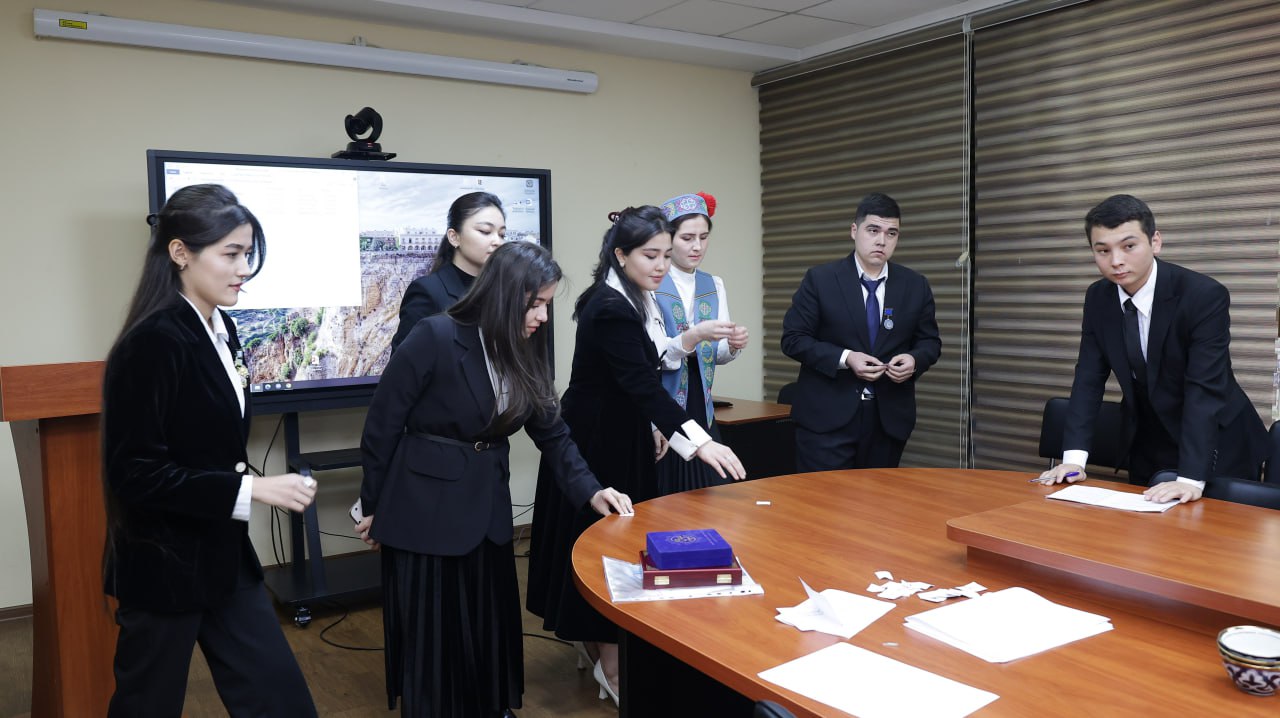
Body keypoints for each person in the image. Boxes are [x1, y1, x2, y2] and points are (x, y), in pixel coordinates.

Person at [356, 241, 634, 718]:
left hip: (486, 508)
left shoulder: (526, 349)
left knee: (488, 621)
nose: (543, 316)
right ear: (504, 294)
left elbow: (553, 433)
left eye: (547, 304)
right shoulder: (434, 335)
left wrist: (592, 489)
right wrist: (373, 507)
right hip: (424, 509)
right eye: (536, 303)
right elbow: (382, 426)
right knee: (435, 632)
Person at [101, 184, 318, 717]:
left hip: (224, 560)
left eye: (248, 254)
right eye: (231, 254)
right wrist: (253, 489)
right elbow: (135, 473)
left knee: (282, 701)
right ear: (180, 253)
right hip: (163, 566)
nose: (244, 269)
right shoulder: (152, 341)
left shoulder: (225, 328)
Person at [526, 205, 746, 706]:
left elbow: (642, 371)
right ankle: (611, 664)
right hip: (596, 442)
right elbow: (643, 384)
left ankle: (600, 646)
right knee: (606, 549)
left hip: (621, 432)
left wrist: (653, 427)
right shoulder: (610, 306)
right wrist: (702, 442)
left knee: (616, 546)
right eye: (651, 255)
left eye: (667, 255)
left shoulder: (632, 297)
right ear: (621, 254)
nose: (662, 265)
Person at [1036, 194, 1268, 502]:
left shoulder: (1202, 295)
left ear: (1155, 242)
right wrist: (1074, 460)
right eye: (1103, 250)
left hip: (1217, 440)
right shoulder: (1098, 297)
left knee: (1213, 528)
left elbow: (1203, 389)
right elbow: (1088, 378)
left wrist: (1190, 478)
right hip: (1147, 438)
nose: (1116, 261)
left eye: (1128, 246)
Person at [780, 192, 941, 471]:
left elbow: (930, 342)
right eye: (873, 230)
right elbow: (793, 339)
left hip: (887, 421)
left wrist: (914, 360)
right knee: (824, 497)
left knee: (878, 498)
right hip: (827, 421)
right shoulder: (821, 279)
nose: (882, 241)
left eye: (891, 233)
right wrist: (846, 358)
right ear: (854, 231)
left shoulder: (915, 285)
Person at [652, 191, 749, 494]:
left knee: (708, 492)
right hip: (661, 396)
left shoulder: (713, 283)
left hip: (699, 398)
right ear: (668, 239)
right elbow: (654, 353)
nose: (697, 246)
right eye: (687, 238)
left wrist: (733, 345)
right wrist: (693, 336)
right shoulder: (652, 281)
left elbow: (716, 354)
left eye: (704, 238)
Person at [390, 191, 506, 351]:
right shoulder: (428, 292)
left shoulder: (501, 289)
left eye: (502, 234)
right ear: (454, 237)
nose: (497, 241)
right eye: (485, 231)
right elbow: (403, 363)